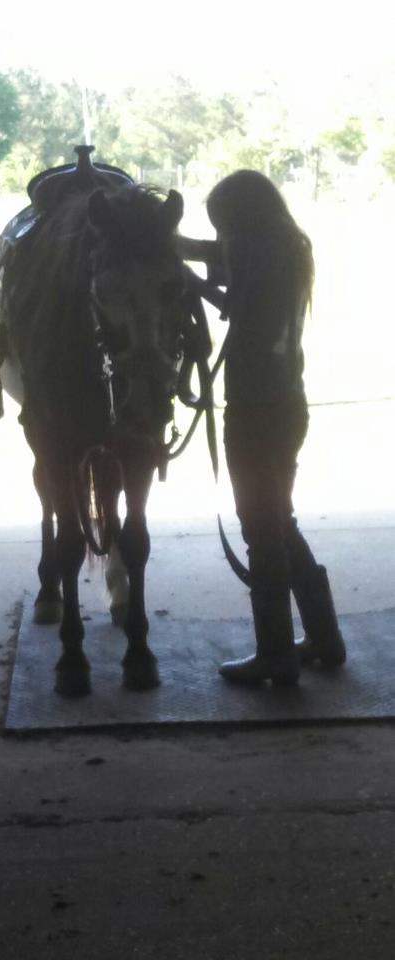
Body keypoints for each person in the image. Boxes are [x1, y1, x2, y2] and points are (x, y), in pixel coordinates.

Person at [201, 169, 346, 685]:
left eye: (223, 226)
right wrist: (181, 252)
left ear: (240, 222)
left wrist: (192, 283)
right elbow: (223, 262)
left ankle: (275, 655)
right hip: (287, 404)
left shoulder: (257, 260)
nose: (220, 237)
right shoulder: (284, 250)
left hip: (255, 409)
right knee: (278, 521)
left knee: (260, 528)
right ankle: (324, 639)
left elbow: (240, 312)